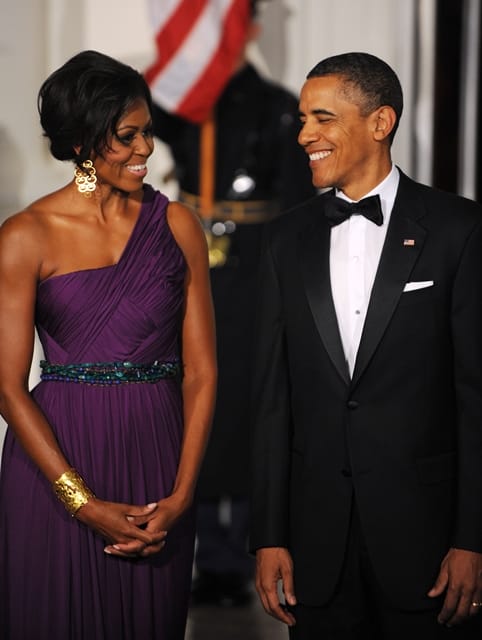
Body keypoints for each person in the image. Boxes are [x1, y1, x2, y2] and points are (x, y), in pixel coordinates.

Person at [249, 51, 482, 639]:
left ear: (380, 123)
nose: (305, 135)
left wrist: (473, 540)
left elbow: (476, 399)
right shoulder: (282, 241)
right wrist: (269, 535)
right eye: (302, 119)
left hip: (428, 546)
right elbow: (272, 402)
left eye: (322, 119)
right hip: (316, 548)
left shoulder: (460, 230)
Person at [0, 50, 216, 640]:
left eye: (147, 132)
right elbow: (6, 387)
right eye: (127, 137)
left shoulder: (177, 227)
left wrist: (182, 493)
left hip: (158, 461)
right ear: (82, 144)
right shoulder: (27, 236)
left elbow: (201, 372)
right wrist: (80, 500)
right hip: (55, 466)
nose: (146, 149)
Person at [150, 0, 316, 606]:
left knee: (248, 405)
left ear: (249, 28)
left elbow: (297, 206)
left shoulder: (278, 107)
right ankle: (202, 554)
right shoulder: (183, 98)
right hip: (189, 265)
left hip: (251, 276)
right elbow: (138, 118)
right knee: (193, 401)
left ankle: (245, 549)